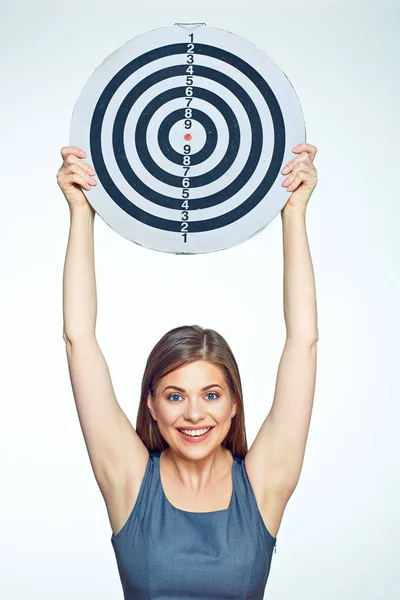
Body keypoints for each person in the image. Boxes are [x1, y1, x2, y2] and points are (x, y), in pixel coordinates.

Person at [57, 142, 319, 599]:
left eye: (211, 395)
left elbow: (303, 342)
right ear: (152, 407)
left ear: (234, 405)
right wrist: (82, 212)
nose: (195, 414)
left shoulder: (261, 486)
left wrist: (293, 213)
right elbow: (79, 339)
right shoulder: (129, 481)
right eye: (175, 396)